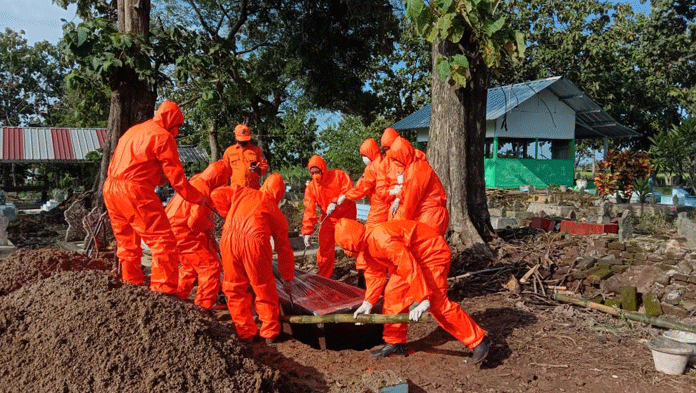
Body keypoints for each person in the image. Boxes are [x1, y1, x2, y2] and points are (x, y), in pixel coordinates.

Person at [334, 218, 490, 363]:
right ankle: (395, 343)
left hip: (431, 253)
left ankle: (478, 340)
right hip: (411, 259)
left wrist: (423, 298)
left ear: (351, 244)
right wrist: (368, 302)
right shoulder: (365, 246)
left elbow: (408, 267)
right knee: (394, 296)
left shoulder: (381, 238)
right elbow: (375, 275)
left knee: (437, 303)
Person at [103, 100, 205, 293]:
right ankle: (163, 293)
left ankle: (130, 286)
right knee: (163, 241)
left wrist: (156, 177)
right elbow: (179, 181)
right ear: (171, 121)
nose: (177, 131)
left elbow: (135, 164)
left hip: (110, 187)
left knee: (127, 243)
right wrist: (199, 198)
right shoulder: (163, 137)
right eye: (177, 126)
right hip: (134, 191)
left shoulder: (134, 130)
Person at [210, 173, 294, 343]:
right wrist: (287, 278)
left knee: (234, 288)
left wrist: (229, 215)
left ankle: (245, 332)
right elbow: (284, 248)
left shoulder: (242, 191)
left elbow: (215, 194)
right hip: (254, 242)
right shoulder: (273, 208)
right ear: (279, 193)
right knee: (263, 286)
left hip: (228, 238)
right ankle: (269, 332)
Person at [166, 159, 231, 310]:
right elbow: (195, 223)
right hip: (183, 233)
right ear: (219, 178)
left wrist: (209, 238)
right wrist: (209, 230)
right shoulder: (203, 189)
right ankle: (203, 308)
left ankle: (177, 298)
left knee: (190, 266)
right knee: (210, 267)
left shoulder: (197, 180)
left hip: (175, 230)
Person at [336, 138, 389, 287]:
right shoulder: (386, 163)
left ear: (369, 154)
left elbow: (361, 189)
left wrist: (345, 196)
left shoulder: (373, 168)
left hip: (378, 211)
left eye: (364, 155)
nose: (363, 159)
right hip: (388, 211)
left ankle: (365, 281)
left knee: (366, 246)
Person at [301, 155, 357, 278]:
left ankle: (364, 269)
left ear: (323, 169)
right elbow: (309, 209)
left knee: (352, 245)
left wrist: (337, 200)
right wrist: (307, 232)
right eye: (312, 172)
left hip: (345, 216)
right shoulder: (311, 187)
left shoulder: (339, 175)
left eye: (317, 171)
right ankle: (324, 276)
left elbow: (349, 191)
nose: (315, 175)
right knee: (325, 249)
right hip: (328, 218)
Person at [386, 136, 449, 236]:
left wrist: (393, 227)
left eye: (396, 159)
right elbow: (406, 192)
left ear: (402, 157)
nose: (395, 164)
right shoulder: (413, 166)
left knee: (425, 249)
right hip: (429, 215)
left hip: (431, 218)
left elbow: (409, 205)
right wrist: (398, 199)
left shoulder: (415, 171)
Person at [223, 123, 268, 189]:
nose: (243, 141)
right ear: (235, 137)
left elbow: (264, 168)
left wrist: (258, 170)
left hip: (253, 191)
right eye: (241, 139)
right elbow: (224, 173)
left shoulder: (256, 150)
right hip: (236, 191)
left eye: (245, 139)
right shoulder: (229, 151)